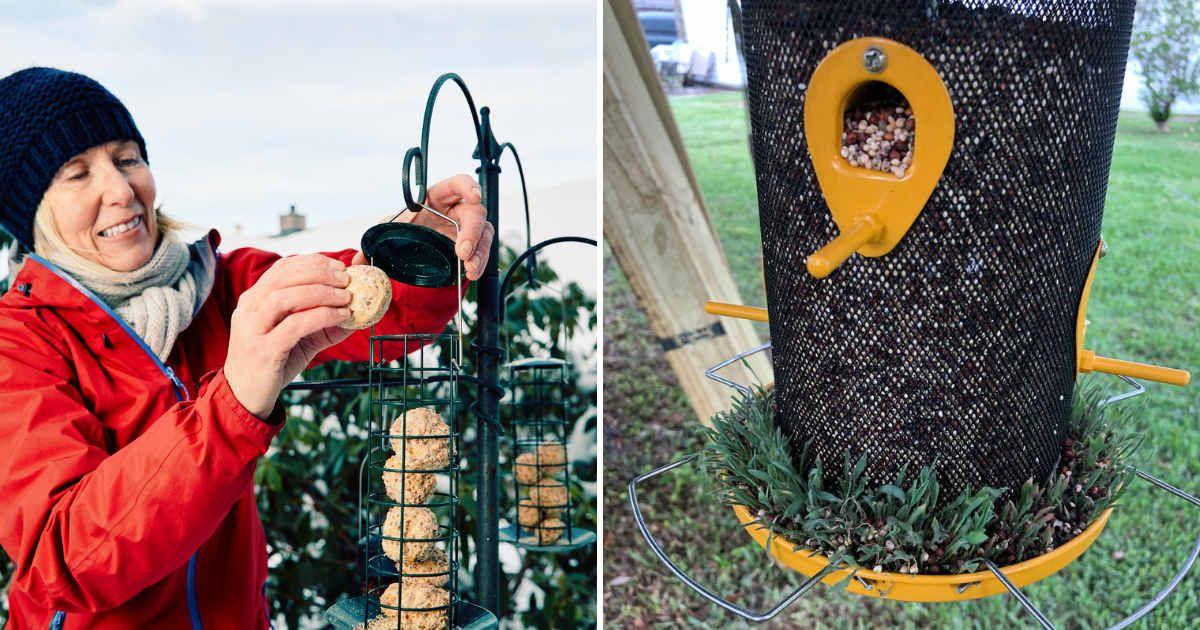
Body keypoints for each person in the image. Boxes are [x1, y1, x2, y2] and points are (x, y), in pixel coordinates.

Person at [0, 67, 494, 629]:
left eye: (127, 158)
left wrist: (427, 243)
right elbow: (63, 560)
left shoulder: (226, 287)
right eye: (77, 174)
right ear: (31, 210)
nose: (118, 190)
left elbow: (387, 306)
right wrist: (233, 402)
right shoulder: (18, 343)